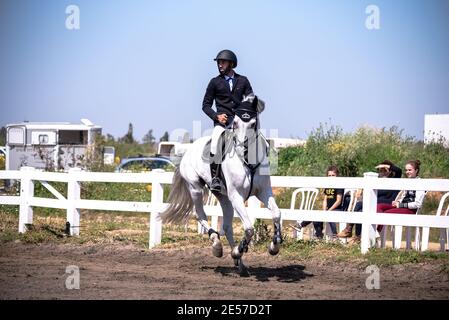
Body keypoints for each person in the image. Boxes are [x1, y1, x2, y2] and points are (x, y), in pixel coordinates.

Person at [202, 49, 253, 192]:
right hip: (222, 124)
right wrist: (216, 116)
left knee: (255, 140)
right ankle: (216, 179)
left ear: (231, 63)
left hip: (239, 123)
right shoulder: (214, 82)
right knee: (215, 143)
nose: (220, 65)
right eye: (218, 62)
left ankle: (256, 173)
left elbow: (250, 100)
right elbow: (205, 105)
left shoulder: (243, 80)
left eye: (223, 62)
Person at [337, 160, 403, 243]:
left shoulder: (394, 180)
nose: (382, 172)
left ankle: (349, 229)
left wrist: (388, 166)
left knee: (361, 203)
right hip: (376, 202)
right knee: (360, 210)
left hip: (388, 203)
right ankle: (357, 236)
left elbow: (399, 171)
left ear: (389, 172)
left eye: (384, 170)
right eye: (380, 170)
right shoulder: (377, 182)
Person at [292, 165, 343, 239]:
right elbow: (325, 199)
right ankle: (318, 235)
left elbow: (338, 201)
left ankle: (335, 235)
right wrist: (324, 210)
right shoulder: (328, 185)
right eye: (329, 175)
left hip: (337, 209)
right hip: (329, 209)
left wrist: (329, 210)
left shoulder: (339, 185)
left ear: (337, 175)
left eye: (333, 175)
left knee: (330, 215)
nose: (331, 177)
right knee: (316, 216)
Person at [376, 160, 425, 232]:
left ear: (416, 170)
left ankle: (375, 233)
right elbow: (404, 196)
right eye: (406, 170)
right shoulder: (408, 182)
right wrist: (397, 202)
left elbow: (418, 204)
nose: (407, 172)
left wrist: (401, 204)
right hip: (400, 206)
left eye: (410, 170)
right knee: (378, 206)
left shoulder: (420, 183)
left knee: (385, 214)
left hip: (410, 210)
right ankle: (376, 232)